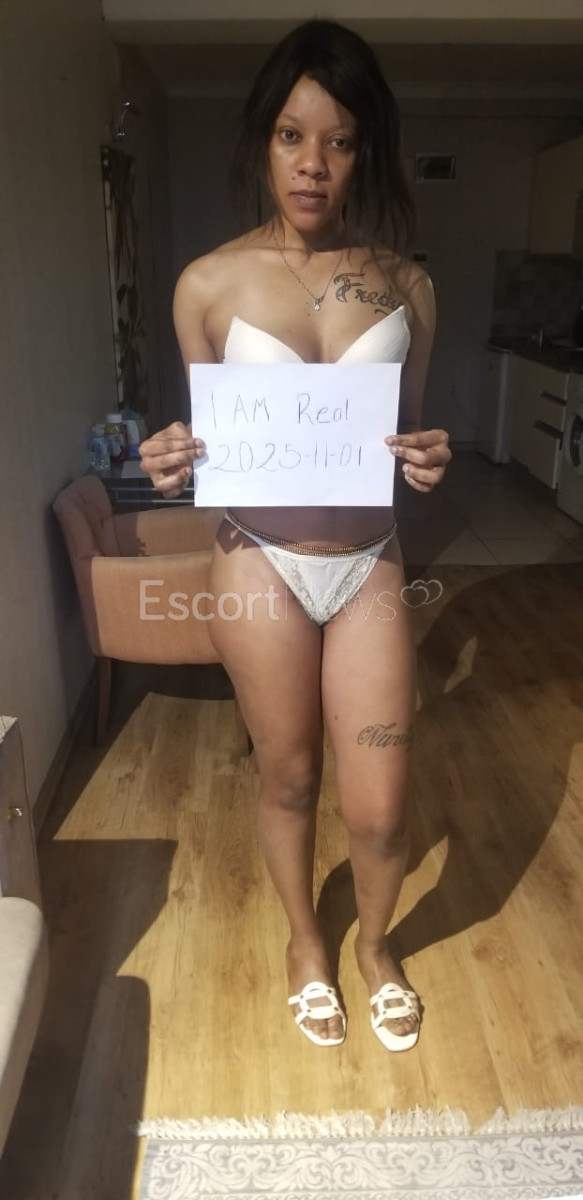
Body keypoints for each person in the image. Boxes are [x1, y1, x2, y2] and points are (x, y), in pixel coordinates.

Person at [139, 18, 451, 1052]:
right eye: (290, 136)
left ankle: (376, 947)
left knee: (380, 808)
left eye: (340, 140)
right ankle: (307, 946)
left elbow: (405, 437)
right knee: (288, 776)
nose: (313, 163)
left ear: (366, 152)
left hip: (367, 565)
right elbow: (205, 443)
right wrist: (173, 458)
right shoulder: (206, 284)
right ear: (262, 143)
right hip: (255, 562)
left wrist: (425, 458)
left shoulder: (409, 286)